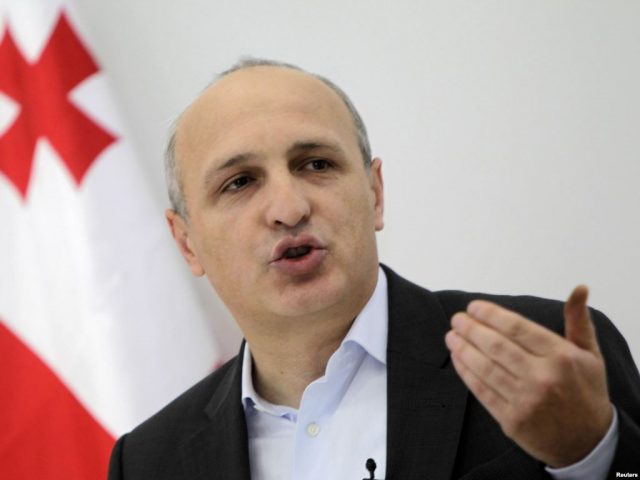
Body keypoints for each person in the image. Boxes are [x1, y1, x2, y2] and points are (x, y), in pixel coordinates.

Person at [108, 59, 640, 479]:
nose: (289, 208)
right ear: (187, 243)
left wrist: (592, 453)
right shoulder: (149, 462)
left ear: (375, 193)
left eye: (316, 164)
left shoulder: (547, 354)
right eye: (240, 182)